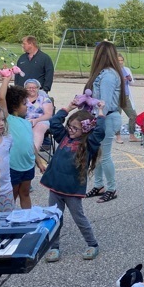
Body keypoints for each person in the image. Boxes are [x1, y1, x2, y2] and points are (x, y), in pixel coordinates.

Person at [41, 99, 106, 262]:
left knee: (79, 218)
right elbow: (54, 122)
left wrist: (100, 113)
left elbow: (100, 132)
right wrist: (68, 108)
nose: (70, 130)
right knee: (54, 217)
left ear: (85, 129)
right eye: (69, 126)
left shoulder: (88, 143)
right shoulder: (64, 136)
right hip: (55, 187)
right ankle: (54, 247)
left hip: (72, 190)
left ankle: (92, 244)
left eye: (75, 128)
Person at [84, 41, 126, 203]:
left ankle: (111, 188)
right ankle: (99, 185)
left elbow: (105, 102)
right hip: (105, 117)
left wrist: (95, 118)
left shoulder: (108, 75)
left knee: (105, 156)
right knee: (99, 154)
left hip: (106, 117)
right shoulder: (106, 73)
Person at [0, 74, 36, 209]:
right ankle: (8, 221)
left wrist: (39, 161)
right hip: (13, 166)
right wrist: (6, 79)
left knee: (25, 193)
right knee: (11, 195)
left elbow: (31, 144)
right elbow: (1, 98)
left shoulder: (27, 123)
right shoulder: (7, 120)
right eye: (24, 103)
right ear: (14, 106)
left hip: (28, 164)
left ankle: (28, 218)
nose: (28, 106)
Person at [23, 78, 54, 152]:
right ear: (25, 89)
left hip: (41, 120)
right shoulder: (22, 99)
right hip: (25, 120)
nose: (31, 89)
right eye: (29, 88)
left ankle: (33, 154)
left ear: (38, 88)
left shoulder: (45, 99)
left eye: (34, 87)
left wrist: (36, 120)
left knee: (39, 128)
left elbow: (48, 115)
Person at [116, 54, 140, 144]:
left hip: (125, 96)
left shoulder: (126, 70)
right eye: (118, 60)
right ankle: (118, 136)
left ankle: (132, 135)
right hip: (116, 96)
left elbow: (132, 83)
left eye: (121, 60)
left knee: (133, 115)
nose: (120, 62)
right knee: (117, 116)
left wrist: (129, 79)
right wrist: (121, 79)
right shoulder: (113, 70)